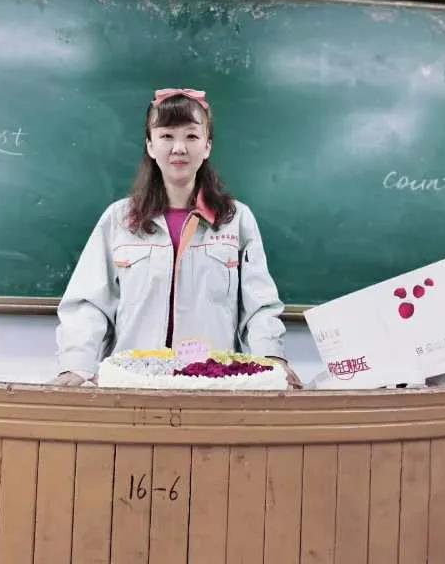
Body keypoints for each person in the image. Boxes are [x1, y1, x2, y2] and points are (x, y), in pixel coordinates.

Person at [53, 88, 300, 387]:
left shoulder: (235, 219)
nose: (179, 148)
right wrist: (76, 365)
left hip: (213, 385)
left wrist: (272, 359)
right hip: (132, 384)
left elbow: (258, 306)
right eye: (167, 136)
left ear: (207, 146)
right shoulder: (119, 219)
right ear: (150, 145)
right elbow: (88, 305)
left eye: (191, 136)